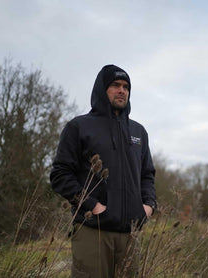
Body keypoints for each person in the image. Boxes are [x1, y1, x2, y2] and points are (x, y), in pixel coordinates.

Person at [50, 65, 156, 277]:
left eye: (126, 87)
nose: (122, 90)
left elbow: (147, 176)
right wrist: (93, 206)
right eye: (115, 85)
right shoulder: (79, 127)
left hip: (130, 234)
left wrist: (148, 206)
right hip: (93, 231)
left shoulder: (138, 132)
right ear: (101, 89)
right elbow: (60, 175)